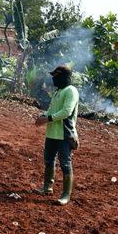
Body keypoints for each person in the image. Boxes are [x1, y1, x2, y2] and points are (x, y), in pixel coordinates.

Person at [34, 65, 80, 205]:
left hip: (65, 134)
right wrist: (43, 116)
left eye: (56, 77)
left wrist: (47, 119)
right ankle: (47, 187)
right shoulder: (58, 92)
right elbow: (51, 110)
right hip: (52, 133)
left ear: (63, 77)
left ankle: (66, 194)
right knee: (49, 160)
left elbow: (66, 111)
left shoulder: (71, 91)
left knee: (65, 163)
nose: (53, 79)